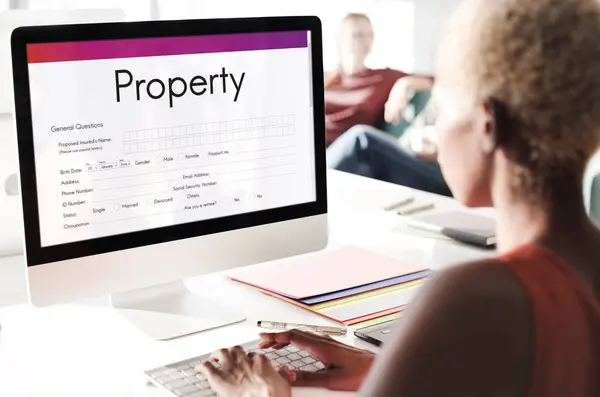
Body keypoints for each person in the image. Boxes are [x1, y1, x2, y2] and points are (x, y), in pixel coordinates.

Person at [199, 0, 600, 395]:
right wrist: (391, 371)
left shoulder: (475, 296)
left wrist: (259, 392)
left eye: (439, 109)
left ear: (486, 124)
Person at [324, 13, 433, 145]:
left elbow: (435, 80)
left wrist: (404, 84)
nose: (366, 41)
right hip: (314, 147)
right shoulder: (328, 80)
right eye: (358, 35)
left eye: (370, 35)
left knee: (361, 135)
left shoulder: (382, 78)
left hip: (350, 148)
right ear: (341, 40)